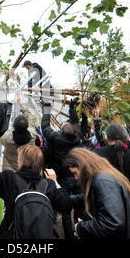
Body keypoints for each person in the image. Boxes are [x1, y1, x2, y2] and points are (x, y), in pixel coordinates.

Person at [0, 144, 72, 239]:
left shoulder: (9, 179)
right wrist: (55, 182)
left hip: (12, 234)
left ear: (21, 160)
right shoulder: (49, 185)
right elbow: (66, 205)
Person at [64, 148, 130, 239]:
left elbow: (112, 222)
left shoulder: (102, 181)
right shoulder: (102, 177)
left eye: (75, 173)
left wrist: (81, 227)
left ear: (82, 165)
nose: (76, 177)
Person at [41, 100, 86, 239]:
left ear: (61, 131)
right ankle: (82, 230)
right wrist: (72, 107)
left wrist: (47, 109)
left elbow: (45, 126)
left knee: (65, 208)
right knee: (80, 205)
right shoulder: (77, 136)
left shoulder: (55, 139)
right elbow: (76, 121)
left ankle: (69, 235)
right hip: (77, 176)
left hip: (63, 177)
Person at [0, 97, 37, 171]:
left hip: (9, 170)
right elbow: (30, 117)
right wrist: (21, 104)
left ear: (13, 126)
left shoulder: (7, 138)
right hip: (26, 169)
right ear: (27, 126)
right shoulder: (32, 136)